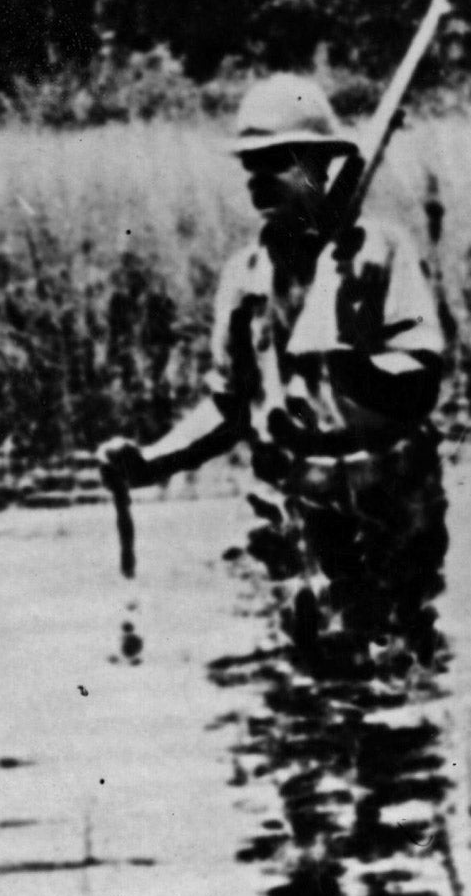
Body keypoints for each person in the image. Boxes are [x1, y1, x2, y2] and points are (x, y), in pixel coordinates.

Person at [97, 74, 449, 667]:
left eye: (279, 162)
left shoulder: (382, 254)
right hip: (293, 507)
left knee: (396, 669)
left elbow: (420, 383)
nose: (259, 178)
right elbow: (229, 406)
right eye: (251, 166)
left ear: (322, 169)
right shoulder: (245, 277)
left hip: (388, 505)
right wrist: (152, 460)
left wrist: (351, 360)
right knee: (303, 677)